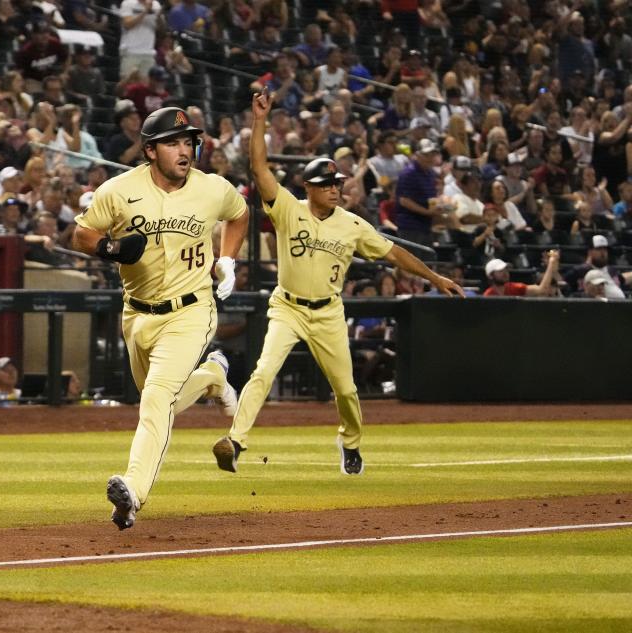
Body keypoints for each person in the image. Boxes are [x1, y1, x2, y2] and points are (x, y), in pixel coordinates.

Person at [210, 88, 463, 478]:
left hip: (328, 313)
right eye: (326, 183)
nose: (334, 188)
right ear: (308, 187)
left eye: (336, 183)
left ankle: (351, 442)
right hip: (288, 307)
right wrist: (259, 120)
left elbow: (393, 253)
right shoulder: (288, 209)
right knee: (263, 371)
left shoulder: (353, 224)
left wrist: (433, 277)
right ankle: (236, 442)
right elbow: (259, 169)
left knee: (345, 390)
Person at [71, 105, 249, 530]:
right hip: (137, 315)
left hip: (192, 310)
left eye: (188, 141)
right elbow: (82, 233)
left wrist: (227, 259)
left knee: (156, 398)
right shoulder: (118, 190)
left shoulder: (212, 188)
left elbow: (240, 213)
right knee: (160, 399)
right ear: (151, 151)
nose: (184, 149)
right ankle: (213, 377)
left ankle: (132, 492)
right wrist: (110, 250)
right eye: (173, 143)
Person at [482, 254, 560, 296]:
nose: (505, 273)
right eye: (500, 271)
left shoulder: (515, 288)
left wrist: (551, 263)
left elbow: (541, 290)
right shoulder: (488, 295)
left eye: (506, 269)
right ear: (490, 276)